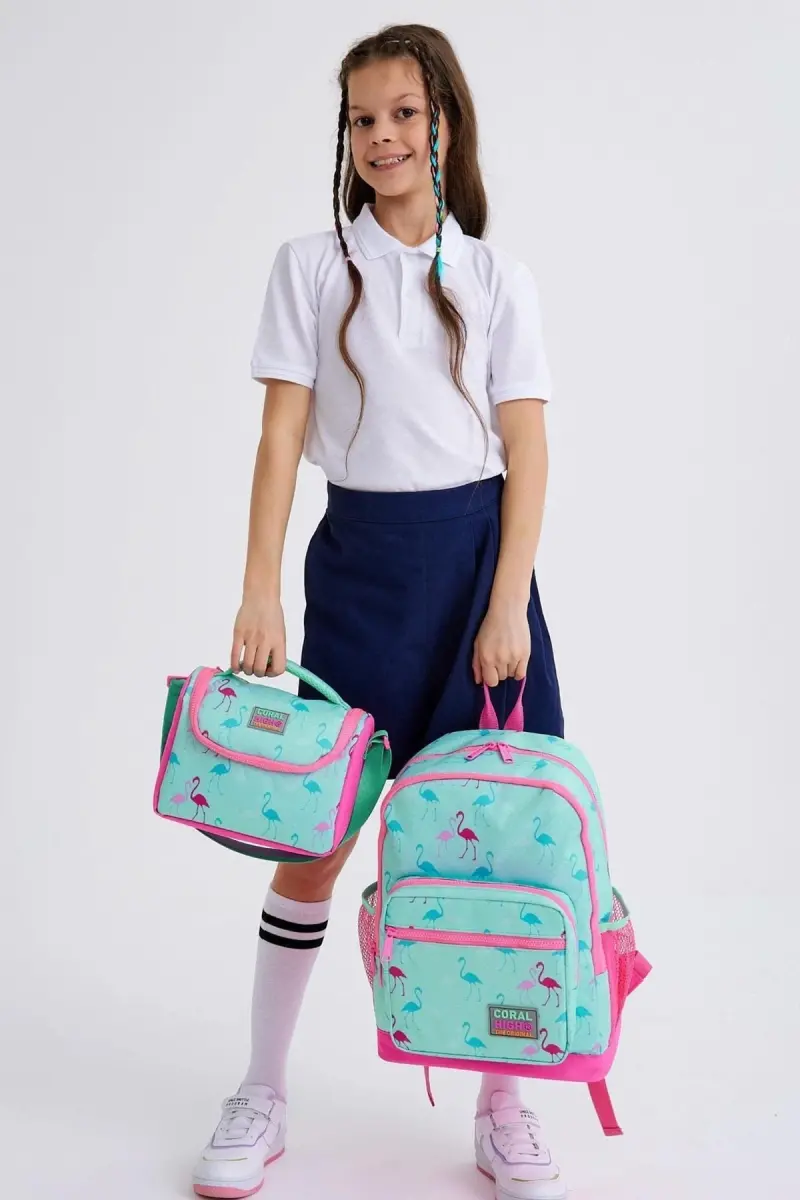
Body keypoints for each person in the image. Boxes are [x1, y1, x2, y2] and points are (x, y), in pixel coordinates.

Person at [192, 23, 566, 1200]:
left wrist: (505, 607)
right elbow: (279, 440)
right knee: (312, 845)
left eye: (404, 113)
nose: (382, 136)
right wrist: (259, 587)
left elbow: (526, 454)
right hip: (357, 577)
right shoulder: (310, 267)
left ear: (444, 122)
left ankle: (501, 1106)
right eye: (362, 119)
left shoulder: (497, 279)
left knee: (495, 846)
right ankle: (261, 1090)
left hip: (474, 579)